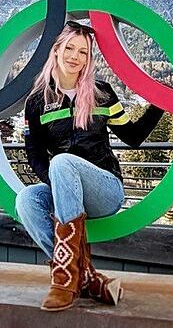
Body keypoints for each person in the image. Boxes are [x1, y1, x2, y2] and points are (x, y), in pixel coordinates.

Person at [16, 20, 164, 312]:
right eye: (69, 48)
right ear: (56, 50)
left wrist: (161, 101)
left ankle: (64, 283)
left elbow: (133, 137)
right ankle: (82, 276)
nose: (75, 56)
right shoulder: (36, 102)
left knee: (62, 161)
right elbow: (34, 153)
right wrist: (61, 186)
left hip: (104, 189)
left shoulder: (102, 93)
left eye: (83, 52)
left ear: (88, 59)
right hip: (64, 189)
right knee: (26, 200)